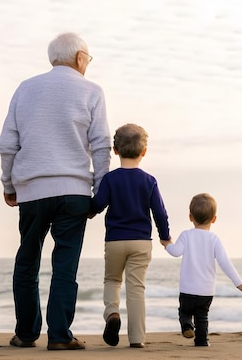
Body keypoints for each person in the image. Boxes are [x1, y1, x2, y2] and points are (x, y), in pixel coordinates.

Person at [0, 32, 111, 351]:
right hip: (74, 190)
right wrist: (99, 195)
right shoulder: (92, 91)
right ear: (79, 58)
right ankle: (60, 335)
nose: (88, 64)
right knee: (65, 265)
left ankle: (26, 333)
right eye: (88, 58)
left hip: (31, 190)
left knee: (27, 261)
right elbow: (102, 146)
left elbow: (8, 144)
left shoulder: (25, 88)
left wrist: (9, 185)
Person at [89, 123, 171, 349]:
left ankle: (112, 313)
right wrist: (165, 237)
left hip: (115, 240)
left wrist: (89, 211)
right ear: (144, 152)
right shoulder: (149, 180)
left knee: (112, 280)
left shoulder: (110, 179)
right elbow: (160, 213)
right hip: (141, 242)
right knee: (136, 288)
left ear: (115, 150)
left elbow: (98, 203)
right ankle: (136, 338)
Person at [160, 193, 242, 347]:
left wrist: (167, 244)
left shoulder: (186, 235)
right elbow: (224, 262)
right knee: (202, 317)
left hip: (187, 289)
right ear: (214, 219)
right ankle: (201, 341)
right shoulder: (214, 239)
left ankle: (187, 326)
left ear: (190, 217)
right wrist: (238, 282)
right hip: (206, 291)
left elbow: (175, 252)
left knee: (184, 312)